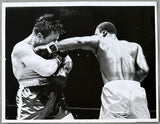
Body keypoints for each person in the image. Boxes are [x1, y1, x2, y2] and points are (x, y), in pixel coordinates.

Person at [38, 21, 150, 119]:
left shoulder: (100, 40)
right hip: (136, 90)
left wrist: (50, 48)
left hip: (114, 90)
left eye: (95, 34)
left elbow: (79, 42)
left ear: (104, 33)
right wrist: (128, 82)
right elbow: (144, 70)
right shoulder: (135, 46)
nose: (94, 36)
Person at [11, 14, 74, 120]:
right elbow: (47, 70)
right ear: (39, 36)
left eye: (56, 40)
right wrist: (59, 57)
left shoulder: (51, 46)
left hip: (54, 93)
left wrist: (63, 72)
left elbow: (68, 60)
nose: (55, 43)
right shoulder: (22, 48)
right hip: (33, 98)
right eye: (52, 40)